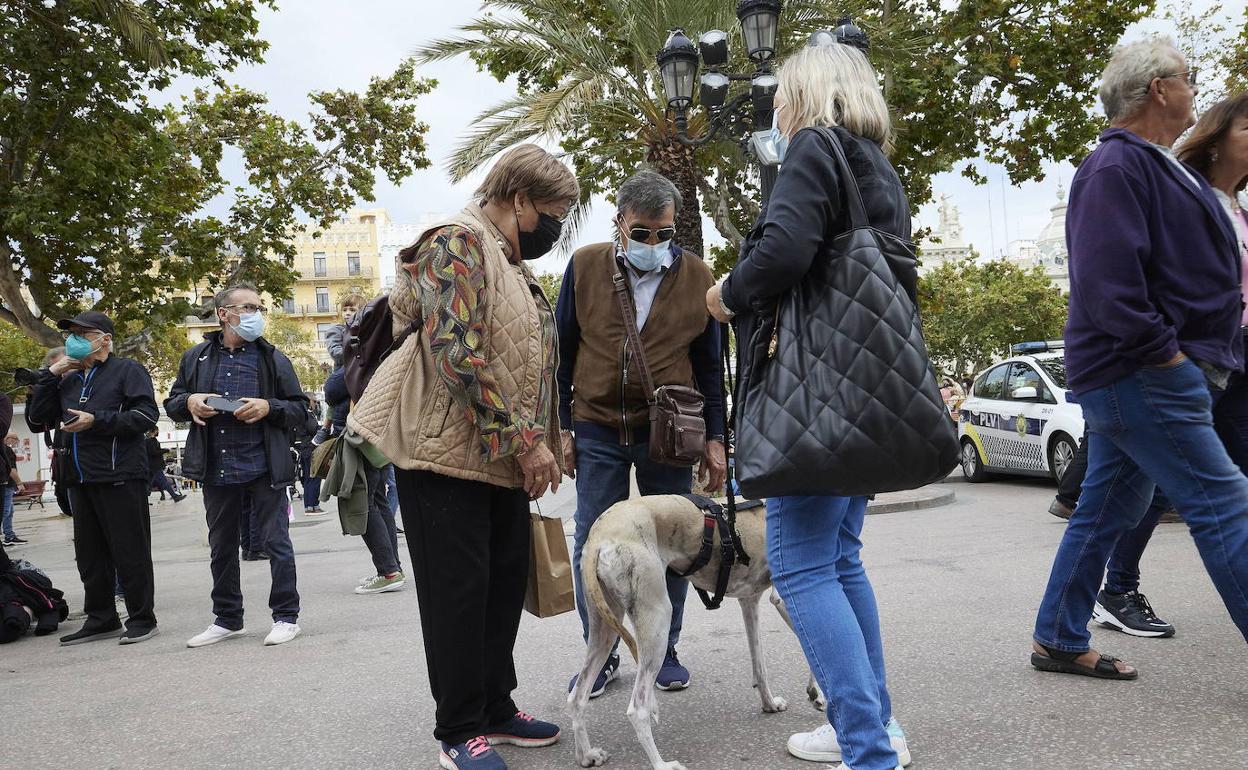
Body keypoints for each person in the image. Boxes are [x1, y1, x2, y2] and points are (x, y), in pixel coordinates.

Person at [707, 42, 910, 770]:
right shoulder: (874, 163)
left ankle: (867, 748)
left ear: (810, 94)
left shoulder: (814, 148)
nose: (776, 109)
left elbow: (784, 253)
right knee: (841, 559)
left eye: (781, 95)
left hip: (814, 399)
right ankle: (874, 725)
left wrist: (726, 294)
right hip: (868, 394)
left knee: (799, 565)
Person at [350, 143, 576, 770]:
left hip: (496, 458)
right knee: (458, 595)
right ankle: (458, 729)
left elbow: (529, 362)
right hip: (441, 456)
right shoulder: (454, 241)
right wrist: (524, 440)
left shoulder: (510, 262)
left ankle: (496, 709)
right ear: (520, 198)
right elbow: (457, 353)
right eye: (551, 213)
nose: (552, 229)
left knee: (501, 589)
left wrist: (551, 437)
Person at [1030, 39, 1248, 681]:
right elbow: (1107, 286)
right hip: (1143, 373)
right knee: (1223, 502)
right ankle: (1060, 636)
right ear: (1158, 88)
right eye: (1188, 78)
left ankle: (1058, 638)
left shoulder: (1150, 165)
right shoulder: (1115, 167)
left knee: (1107, 510)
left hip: (1151, 371)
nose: (1194, 88)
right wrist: (1168, 356)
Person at [555, 170, 726, 696]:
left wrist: (717, 438)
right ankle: (600, 655)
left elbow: (711, 367)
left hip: (669, 432)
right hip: (597, 427)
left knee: (673, 542)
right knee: (594, 543)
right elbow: (560, 354)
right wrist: (562, 427)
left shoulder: (699, 278)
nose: (654, 243)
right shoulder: (584, 267)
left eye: (664, 233)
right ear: (620, 223)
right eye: (643, 232)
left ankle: (663, 648)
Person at [166, 283, 310, 648]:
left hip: (264, 466)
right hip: (216, 467)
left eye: (258, 307)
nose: (254, 314)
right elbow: (172, 404)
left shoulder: (272, 358)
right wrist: (191, 400)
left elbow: (300, 410)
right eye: (246, 307)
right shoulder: (195, 358)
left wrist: (268, 407)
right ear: (223, 314)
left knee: (276, 542)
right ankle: (228, 619)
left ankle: (286, 617)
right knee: (221, 546)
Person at [25, 310, 161, 645]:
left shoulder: (127, 370)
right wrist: (50, 375)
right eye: (70, 335)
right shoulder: (67, 379)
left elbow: (145, 415)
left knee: (130, 551)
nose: (74, 340)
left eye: (83, 334)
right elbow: (37, 419)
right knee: (90, 556)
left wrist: (96, 420)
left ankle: (142, 618)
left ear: (105, 339)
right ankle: (102, 618)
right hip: (79, 477)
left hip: (120, 474)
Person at [323, 363, 405, 594]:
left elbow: (331, 390)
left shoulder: (358, 360)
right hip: (378, 441)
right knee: (379, 502)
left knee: (363, 503)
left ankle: (388, 571)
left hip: (361, 442)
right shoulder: (381, 356)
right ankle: (392, 569)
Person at [296, 392, 323, 514]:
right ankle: (314, 505)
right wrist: (321, 429)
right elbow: (312, 428)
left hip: (305, 448)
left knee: (308, 478)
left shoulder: (301, 413)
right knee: (314, 477)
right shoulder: (307, 414)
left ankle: (308, 505)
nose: (316, 403)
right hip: (310, 448)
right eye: (314, 401)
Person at [324, 294, 366, 367]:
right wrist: (358, 354)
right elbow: (335, 352)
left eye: (352, 310)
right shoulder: (337, 330)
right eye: (344, 310)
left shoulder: (365, 329)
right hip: (344, 368)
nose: (347, 313)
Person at [145, 429, 185, 503]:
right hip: (154, 466)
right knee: (163, 482)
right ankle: (174, 496)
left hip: (154, 466)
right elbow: (153, 452)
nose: (158, 432)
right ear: (153, 431)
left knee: (151, 483)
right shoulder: (149, 441)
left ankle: (144, 499)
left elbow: (156, 450)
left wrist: (163, 450)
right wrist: (165, 450)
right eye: (157, 430)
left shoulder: (153, 440)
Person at [1, 434, 23, 544]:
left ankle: (9, 535)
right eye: (15, 439)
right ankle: (8, 535)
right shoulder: (7, 450)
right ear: (8, 438)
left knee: (9, 511)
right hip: (7, 484)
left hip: (6, 484)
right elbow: (11, 469)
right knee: (5, 511)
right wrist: (19, 483)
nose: (16, 442)